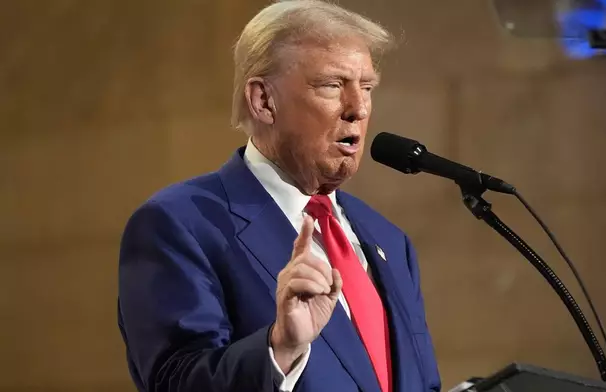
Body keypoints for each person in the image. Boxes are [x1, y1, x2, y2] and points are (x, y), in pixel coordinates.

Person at [117, 1, 441, 391]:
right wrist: (280, 348)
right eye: (332, 85)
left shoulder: (389, 240)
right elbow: (176, 381)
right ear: (263, 101)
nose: (358, 108)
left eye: (367, 86)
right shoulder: (180, 225)